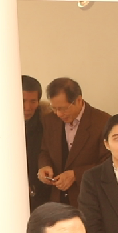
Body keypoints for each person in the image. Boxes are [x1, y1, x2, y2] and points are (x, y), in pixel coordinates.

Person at [37, 77, 110, 207]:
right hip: (57, 200)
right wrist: (44, 166)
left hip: (90, 200)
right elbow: (45, 151)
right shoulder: (50, 120)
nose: (59, 114)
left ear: (78, 100)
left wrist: (76, 175)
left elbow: (110, 162)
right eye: (54, 108)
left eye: (63, 108)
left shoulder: (102, 122)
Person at [23, 75, 51, 211]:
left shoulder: (47, 123)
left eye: (33, 101)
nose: (28, 107)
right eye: (22, 101)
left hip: (41, 193)